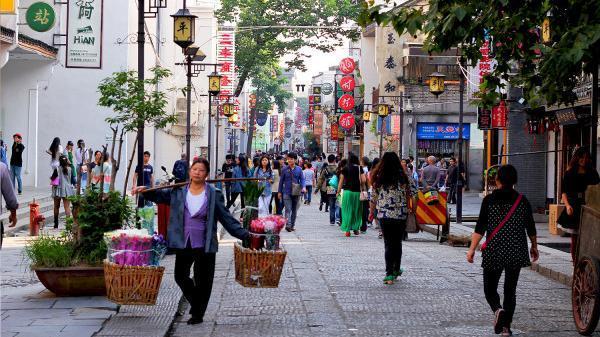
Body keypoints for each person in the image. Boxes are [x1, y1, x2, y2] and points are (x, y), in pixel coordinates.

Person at [134, 158, 250, 325]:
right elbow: (159, 195)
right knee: (180, 276)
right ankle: (197, 302)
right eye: (194, 169)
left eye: (201, 170)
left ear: (206, 174)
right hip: (183, 241)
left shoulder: (213, 193)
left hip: (204, 242)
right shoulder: (179, 191)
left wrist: (244, 234)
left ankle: (198, 314)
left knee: (204, 280)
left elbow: (226, 217)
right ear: (190, 172)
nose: (197, 172)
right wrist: (145, 190)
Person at [467, 164, 538, 336]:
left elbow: (480, 228)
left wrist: (471, 250)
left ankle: (498, 310)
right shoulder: (522, 200)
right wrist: (534, 246)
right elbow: (530, 226)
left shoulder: (489, 200)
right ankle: (506, 328)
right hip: (516, 249)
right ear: (514, 181)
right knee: (510, 290)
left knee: (489, 289)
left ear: (497, 180)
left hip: (494, 250)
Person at [369, 152, 417, 284]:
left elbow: (374, 197)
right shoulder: (404, 176)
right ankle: (396, 269)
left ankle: (389, 273)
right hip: (401, 214)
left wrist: (371, 212)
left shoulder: (379, 176)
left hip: (384, 214)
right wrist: (414, 209)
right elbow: (414, 194)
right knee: (397, 242)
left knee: (388, 244)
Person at [558, 148, 600, 263]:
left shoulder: (593, 173)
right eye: (581, 157)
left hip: (589, 205)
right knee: (575, 238)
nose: (584, 160)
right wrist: (567, 206)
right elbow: (564, 192)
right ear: (576, 158)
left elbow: (597, 189)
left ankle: (587, 262)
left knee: (589, 237)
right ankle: (575, 264)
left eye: (586, 157)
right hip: (574, 205)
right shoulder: (569, 172)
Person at [337, 153, 365, 237]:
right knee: (357, 210)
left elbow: (341, 181)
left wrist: (338, 191)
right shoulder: (360, 168)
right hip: (357, 192)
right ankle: (356, 228)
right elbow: (363, 180)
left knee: (346, 211)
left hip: (347, 192)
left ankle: (347, 230)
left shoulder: (345, 168)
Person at [278, 152, 306, 232]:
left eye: (292, 159)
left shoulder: (299, 169)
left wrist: (303, 187)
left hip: (296, 192)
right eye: (289, 159)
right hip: (286, 192)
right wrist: (279, 192)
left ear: (295, 160)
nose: (290, 160)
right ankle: (288, 225)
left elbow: (302, 179)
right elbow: (281, 181)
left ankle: (292, 225)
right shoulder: (284, 169)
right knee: (288, 209)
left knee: (294, 210)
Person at [52, 155, 74, 229]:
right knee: (67, 207)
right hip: (67, 189)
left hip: (57, 188)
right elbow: (72, 179)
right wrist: (69, 162)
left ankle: (56, 224)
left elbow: (53, 178)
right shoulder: (70, 169)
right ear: (66, 161)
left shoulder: (57, 168)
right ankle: (68, 225)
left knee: (56, 206)